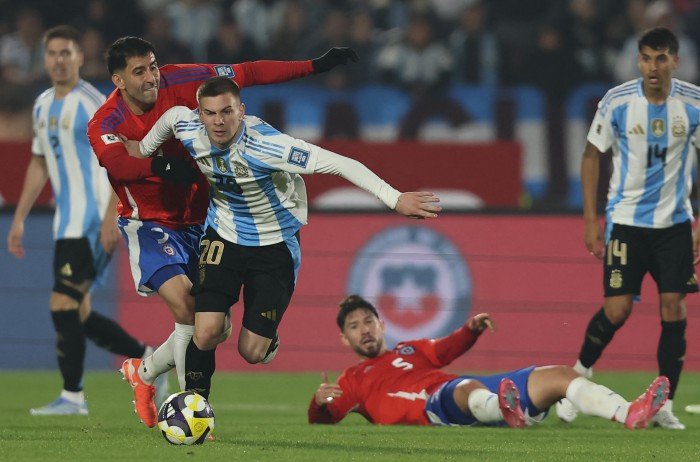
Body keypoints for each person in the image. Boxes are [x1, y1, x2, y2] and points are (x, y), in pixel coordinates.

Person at [122, 76, 442, 410]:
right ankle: (196, 410)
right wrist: (142, 150)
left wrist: (394, 198)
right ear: (199, 113)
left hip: (274, 245)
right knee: (206, 331)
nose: (218, 121)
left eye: (227, 112)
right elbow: (166, 124)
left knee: (252, 351)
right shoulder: (184, 123)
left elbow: (340, 163)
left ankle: (266, 337)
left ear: (241, 111)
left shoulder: (270, 146)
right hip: (223, 235)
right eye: (210, 113)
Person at [86, 36, 359, 428]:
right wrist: (163, 168)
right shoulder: (106, 121)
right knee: (187, 308)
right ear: (118, 80)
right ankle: (192, 414)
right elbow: (118, 164)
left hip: (207, 221)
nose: (151, 77)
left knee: (215, 328)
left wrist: (314, 66)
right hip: (149, 224)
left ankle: (144, 372)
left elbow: (248, 72)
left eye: (153, 66)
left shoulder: (183, 80)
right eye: (139, 71)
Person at [6, 25, 166, 416]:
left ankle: (73, 397)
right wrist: (20, 217)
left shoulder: (93, 103)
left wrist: (112, 214)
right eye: (52, 53)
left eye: (67, 53)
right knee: (77, 313)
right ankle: (152, 362)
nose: (59, 60)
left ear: (80, 57)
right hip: (66, 224)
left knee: (62, 305)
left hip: (93, 220)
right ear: (44, 59)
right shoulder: (43, 104)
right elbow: (40, 162)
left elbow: (121, 155)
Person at [556, 27, 699, 430]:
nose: (653, 67)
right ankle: (576, 381)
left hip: (674, 224)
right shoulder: (617, 101)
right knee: (616, 310)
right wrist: (590, 219)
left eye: (661, 58)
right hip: (626, 223)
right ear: (638, 61)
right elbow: (591, 155)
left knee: (673, 307)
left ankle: (664, 403)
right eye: (646, 58)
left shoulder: (693, 104)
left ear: (675, 61)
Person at [308, 295, 669, 430]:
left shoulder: (409, 349)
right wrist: (319, 403)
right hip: (432, 406)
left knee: (559, 375)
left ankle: (629, 412)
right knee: (466, 387)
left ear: (382, 324)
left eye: (368, 321)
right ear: (345, 339)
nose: (364, 330)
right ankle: (504, 410)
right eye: (354, 327)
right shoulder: (353, 379)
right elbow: (325, 417)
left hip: (464, 390)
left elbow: (446, 349)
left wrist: (470, 330)